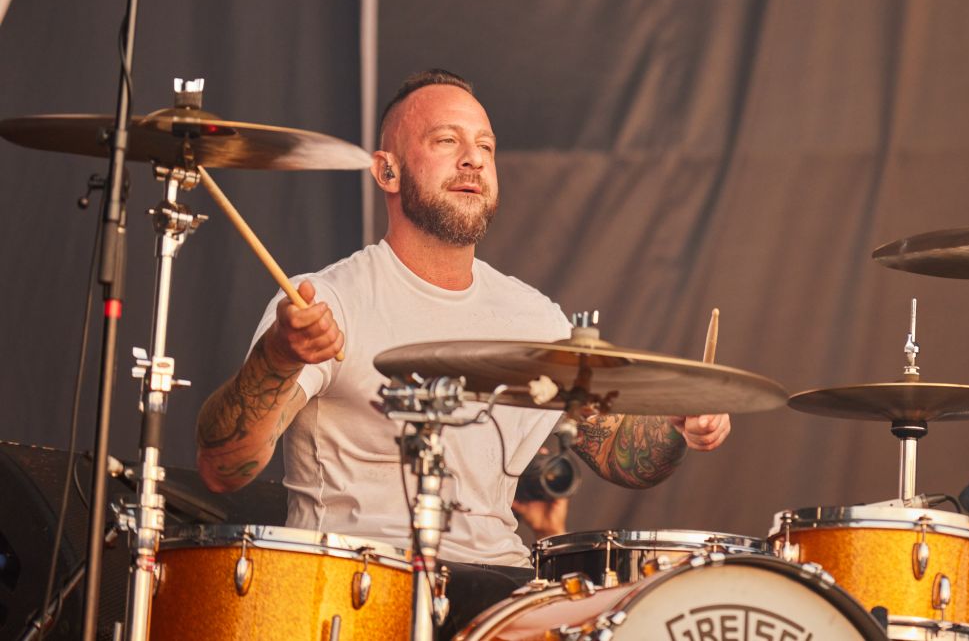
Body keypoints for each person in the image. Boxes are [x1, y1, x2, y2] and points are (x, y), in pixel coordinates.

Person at [194, 69, 731, 636]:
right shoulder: (326, 301)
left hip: (503, 593)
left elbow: (620, 451)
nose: (473, 160)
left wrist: (676, 421)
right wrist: (280, 357)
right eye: (447, 141)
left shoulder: (534, 317)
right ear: (388, 171)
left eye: (486, 147)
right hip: (360, 593)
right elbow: (223, 468)